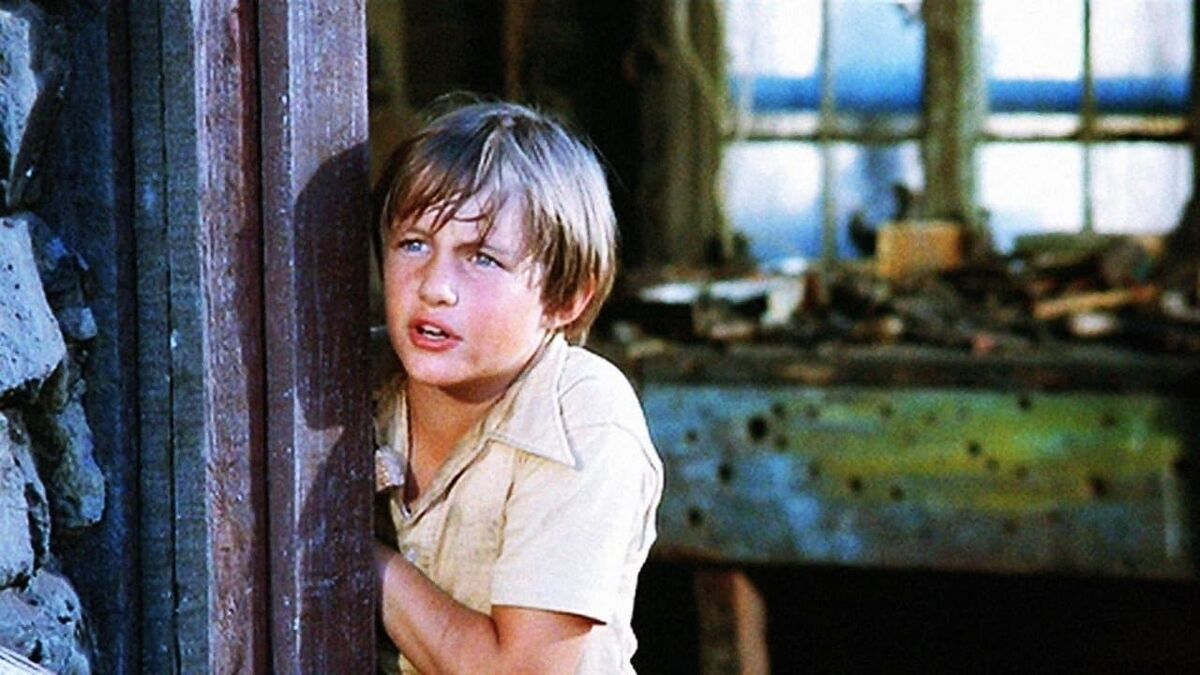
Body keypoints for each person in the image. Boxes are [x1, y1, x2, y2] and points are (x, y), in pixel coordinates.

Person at [372, 99, 663, 674]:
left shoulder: (583, 415)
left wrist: (359, 561)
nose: (434, 287)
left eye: (482, 259)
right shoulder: (350, 380)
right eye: (414, 244)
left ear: (565, 298)